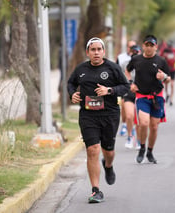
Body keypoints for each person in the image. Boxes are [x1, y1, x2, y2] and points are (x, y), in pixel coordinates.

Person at [67, 37, 129, 203]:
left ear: (103, 51)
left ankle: (108, 165)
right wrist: (72, 93)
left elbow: (126, 87)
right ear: (88, 52)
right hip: (88, 115)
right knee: (92, 149)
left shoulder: (113, 68)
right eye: (92, 50)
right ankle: (96, 190)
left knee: (108, 150)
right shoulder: (80, 69)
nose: (96, 52)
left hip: (109, 115)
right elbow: (71, 83)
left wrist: (109, 90)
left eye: (99, 49)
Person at [125, 35, 171, 164]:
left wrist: (163, 76)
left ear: (156, 47)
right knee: (143, 123)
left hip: (157, 97)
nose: (149, 48)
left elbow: (168, 79)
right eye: (147, 45)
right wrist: (131, 84)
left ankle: (150, 151)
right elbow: (127, 71)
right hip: (142, 96)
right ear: (143, 46)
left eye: (152, 45)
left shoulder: (161, 61)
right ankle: (142, 147)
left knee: (154, 127)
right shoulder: (136, 59)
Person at [122, 44, 142, 149]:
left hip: (140, 93)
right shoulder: (125, 63)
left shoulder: (143, 64)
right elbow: (122, 74)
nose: (135, 54)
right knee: (129, 116)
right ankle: (130, 136)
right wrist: (129, 83)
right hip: (128, 92)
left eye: (137, 52)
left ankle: (139, 140)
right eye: (133, 52)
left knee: (138, 118)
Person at [117, 40, 137, 136]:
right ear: (127, 47)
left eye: (134, 46)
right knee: (124, 108)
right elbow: (116, 70)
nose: (132, 49)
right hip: (124, 85)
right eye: (130, 47)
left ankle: (131, 125)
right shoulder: (121, 58)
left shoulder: (139, 57)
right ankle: (124, 123)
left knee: (134, 109)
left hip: (137, 86)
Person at [161, 41, 175, 106]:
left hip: (173, 69)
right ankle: (167, 94)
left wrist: (173, 58)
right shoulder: (164, 50)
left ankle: (171, 99)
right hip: (166, 69)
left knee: (172, 84)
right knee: (166, 84)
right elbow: (160, 57)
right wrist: (164, 56)